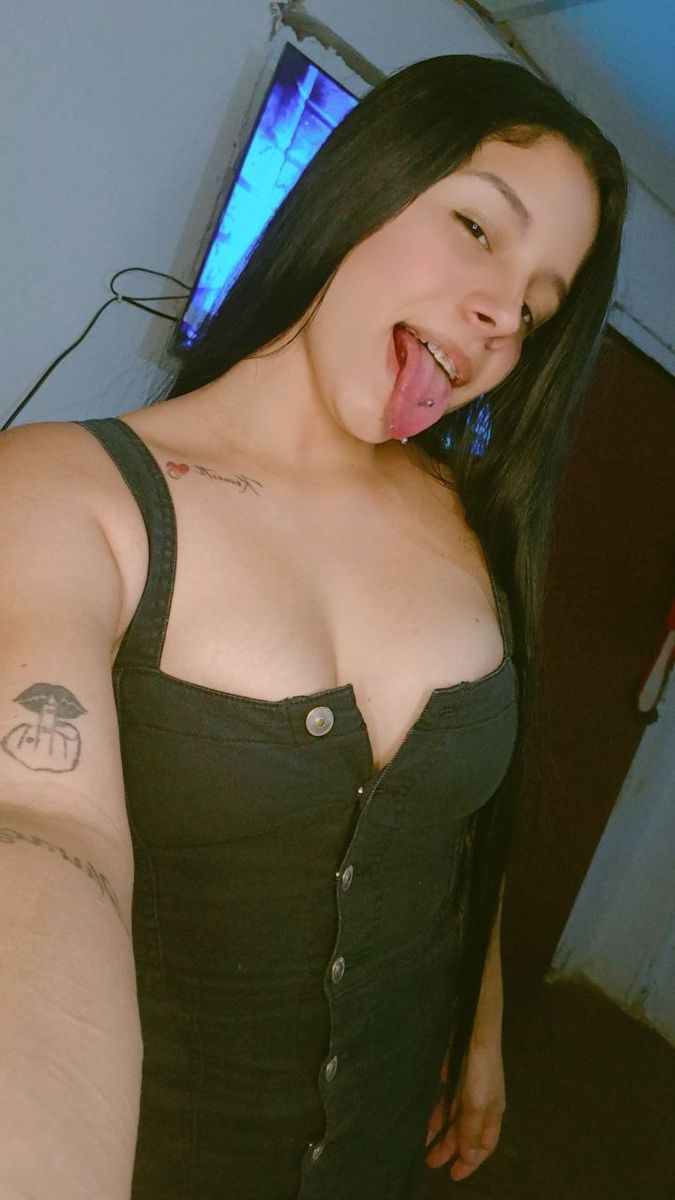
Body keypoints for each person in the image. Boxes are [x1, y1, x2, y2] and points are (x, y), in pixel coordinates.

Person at [0, 53, 626, 1200]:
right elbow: (43, 830)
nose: (501, 318)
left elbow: (460, 828)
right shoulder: (62, 494)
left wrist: (480, 1027)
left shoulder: (473, 524)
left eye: (538, 308)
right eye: (478, 229)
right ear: (365, 179)